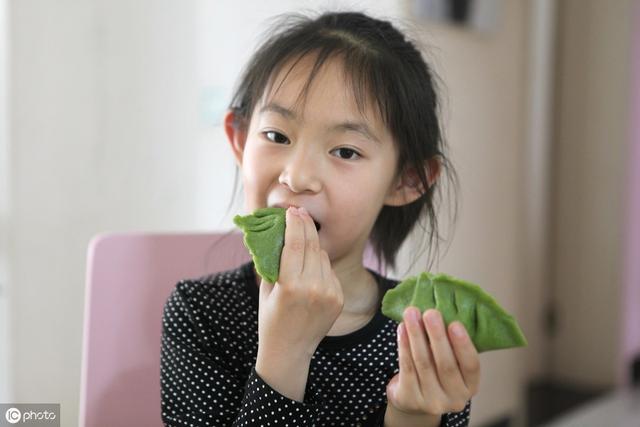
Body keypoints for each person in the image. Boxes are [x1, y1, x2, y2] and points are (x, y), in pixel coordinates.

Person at [160, 10, 480, 427]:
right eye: (277, 136)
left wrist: (413, 414)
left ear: (407, 179)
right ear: (239, 139)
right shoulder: (201, 313)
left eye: (345, 151)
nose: (297, 176)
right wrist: (284, 353)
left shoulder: (422, 337)